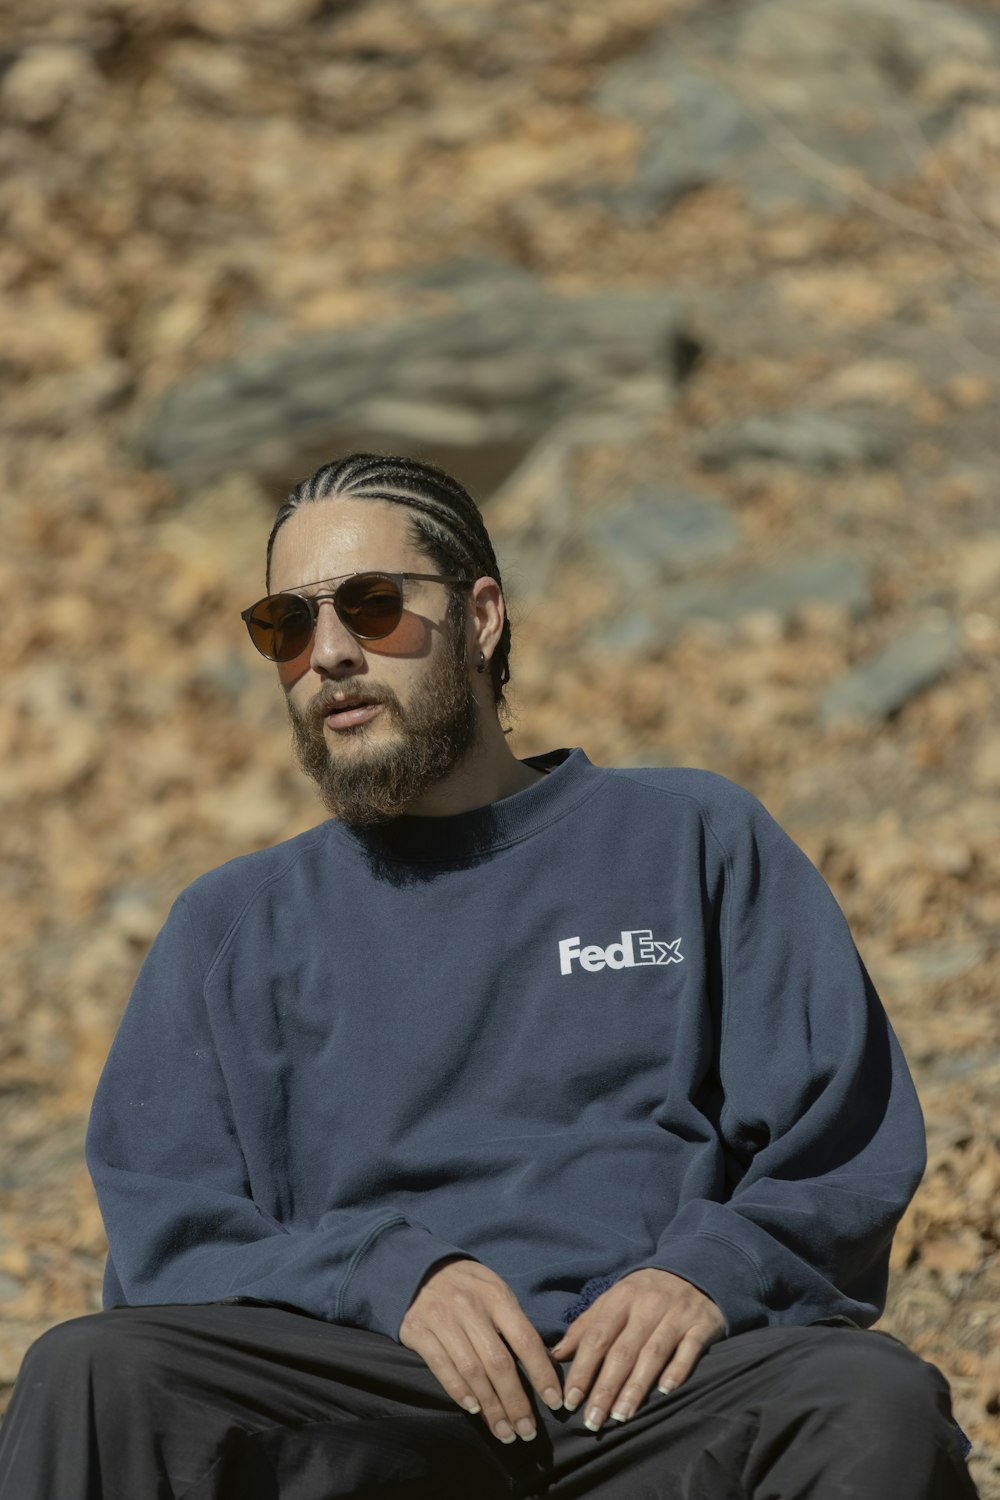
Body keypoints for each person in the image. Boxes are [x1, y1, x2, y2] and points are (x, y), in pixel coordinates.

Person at [0, 453, 979, 1499]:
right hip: (368, 1404)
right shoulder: (230, 927)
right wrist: (382, 1276)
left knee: (866, 1400)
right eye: (287, 624)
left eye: (372, 607)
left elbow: (836, 1144)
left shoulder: (691, 841)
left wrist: (709, 1273)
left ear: (481, 618)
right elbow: (171, 1240)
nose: (328, 653)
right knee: (91, 1373)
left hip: (650, 1398)